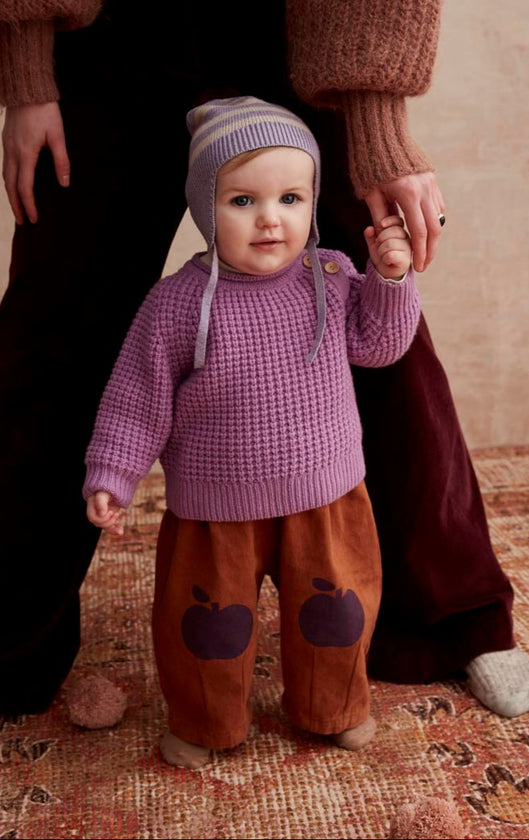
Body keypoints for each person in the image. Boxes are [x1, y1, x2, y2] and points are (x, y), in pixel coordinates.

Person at [0, 0, 529, 764]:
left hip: (310, 18)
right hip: (107, 24)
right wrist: (29, 73)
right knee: (55, 317)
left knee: (377, 279)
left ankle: (455, 612)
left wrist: (374, 117)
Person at [83, 96, 420, 768]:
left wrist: (389, 276)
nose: (271, 218)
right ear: (205, 206)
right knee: (205, 629)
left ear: (312, 203)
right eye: (242, 201)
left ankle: (333, 707)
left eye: (291, 197)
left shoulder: (329, 277)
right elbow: (136, 398)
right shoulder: (177, 303)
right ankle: (206, 722)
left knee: (338, 616)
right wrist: (112, 475)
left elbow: (380, 345)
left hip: (326, 496)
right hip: (215, 510)